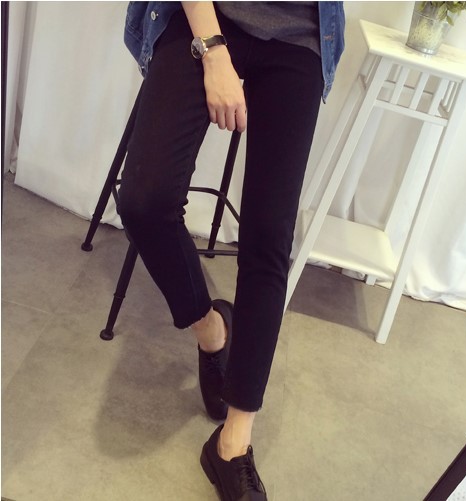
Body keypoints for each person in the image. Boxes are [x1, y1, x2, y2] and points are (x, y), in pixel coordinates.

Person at [120, 2, 345, 499]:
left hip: (300, 36)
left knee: (269, 237)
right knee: (144, 201)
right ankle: (212, 330)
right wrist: (213, 51)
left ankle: (232, 444)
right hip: (205, 15)